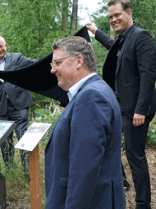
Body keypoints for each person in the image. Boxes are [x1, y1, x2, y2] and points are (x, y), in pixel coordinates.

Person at [86, 0, 156, 209]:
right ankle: (122, 183)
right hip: (120, 106)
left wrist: (141, 110)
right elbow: (112, 46)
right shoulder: (124, 39)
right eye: (110, 17)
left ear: (129, 13)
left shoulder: (141, 36)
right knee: (110, 145)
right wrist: (95, 31)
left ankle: (143, 204)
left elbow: (148, 75)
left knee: (135, 156)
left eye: (117, 15)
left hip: (136, 109)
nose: (113, 19)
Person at [45, 36, 126, 208]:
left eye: (57, 63)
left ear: (78, 61)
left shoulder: (91, 96)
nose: (53, 70)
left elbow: (84, 171)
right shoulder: (92, 91)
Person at [0, 35, 36, 174]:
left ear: (6, 45)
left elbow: (34, 64)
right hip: (1, 109)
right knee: (5, 141)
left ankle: (27, 171)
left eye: (2, 46)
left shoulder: (17, 58)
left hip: (20, 105)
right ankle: (10, 170)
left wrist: (54, 61)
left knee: (22, 137)